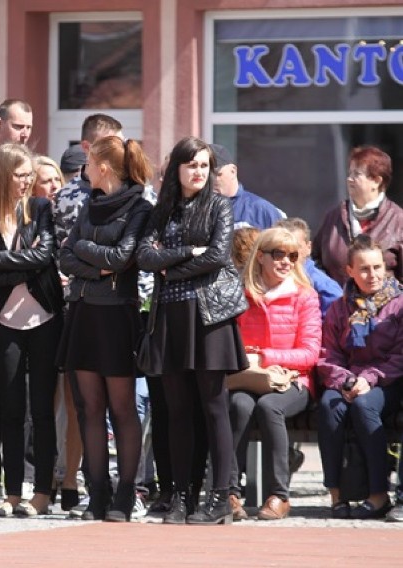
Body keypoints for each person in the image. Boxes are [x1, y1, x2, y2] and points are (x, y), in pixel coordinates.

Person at [136, 136, 249, 525]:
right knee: (178, 411)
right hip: (170, 316)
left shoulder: (219, 206)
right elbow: (145, 258)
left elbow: (218, 256)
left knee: (215, 408)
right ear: (177, 170)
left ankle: (220, 497)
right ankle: (182, 496)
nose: (199, 172)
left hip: (210, 317)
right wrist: (187, 254)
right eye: (192, 165)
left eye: (205, 165)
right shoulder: (162, 210)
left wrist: (171, 268)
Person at [56, 136, 153, 521]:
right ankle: (97, 493)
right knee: (89, 409)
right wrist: (99, 268)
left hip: (117, 315)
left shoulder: (140, 207)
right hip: (83, 312)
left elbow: (124, 257)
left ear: (104, 168)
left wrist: (87, 254)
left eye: (90, 163)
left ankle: (126, 493)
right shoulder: (89, 204)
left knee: (123, 408)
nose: (85, 169)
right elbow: (65, 256)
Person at [0, 143, 64, 517]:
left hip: (43, 318)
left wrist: (2, 262)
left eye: (29, 175)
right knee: (10, 409)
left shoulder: (41, 209)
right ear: (1, 175)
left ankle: (41, 492)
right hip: (2, 322)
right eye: (20, 174)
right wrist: (20, 263)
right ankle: (12, 494)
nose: (27, 182)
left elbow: (45, 256)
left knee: (42, 409)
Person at [228, 228, 321, 521]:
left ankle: (279, 495)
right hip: (250, 377)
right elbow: (231, 344)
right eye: (278, 254)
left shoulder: (304, 297)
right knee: (238, 406)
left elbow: (309, 354)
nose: (285, 262)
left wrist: (266, 356)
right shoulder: (242, 294)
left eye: (292, 256)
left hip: (293, 380)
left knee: (269, 408)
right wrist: (248, 358)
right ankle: (229, 492)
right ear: (261, 257)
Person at [316, 235, 403, 520]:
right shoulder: (340, 308)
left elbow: (400, 356)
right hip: (347, 379)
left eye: (377, 267)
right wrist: (345, 381)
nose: (372, 275)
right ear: (349, 271)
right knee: (330, 409)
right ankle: (336, 494)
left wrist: (369, 379)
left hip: (386, 381)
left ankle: (379, 495)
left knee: (365, 406)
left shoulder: (398, 304)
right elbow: (328, 354)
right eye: (364, 269)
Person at [313, 145, 403, 286]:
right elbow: (313, 263)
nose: (349, 179)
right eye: (350, 173)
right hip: (338, 304)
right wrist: (327, 291)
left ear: (376, 181)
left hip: (386, 306)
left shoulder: (398, 220)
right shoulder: (333, 217)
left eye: (357, 174)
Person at [53, 114, 123, 245]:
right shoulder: (66, 198)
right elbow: (62, 256)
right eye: (109, 144)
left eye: (121, 144)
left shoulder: (140, 191)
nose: (118, 151)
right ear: (86, 147)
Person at [275, 217, 343, 317]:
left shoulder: (325, 288)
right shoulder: (264, 280)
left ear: (308, 248)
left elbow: (335, 327)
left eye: (295, 247)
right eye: (280, 247)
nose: (288, 253)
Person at [209, 144, 284, 230]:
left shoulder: (261, 210)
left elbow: (283, 241)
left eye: (216, 174)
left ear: (233, 171)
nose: (210, 180)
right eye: (206, 175)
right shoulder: (195, 209)